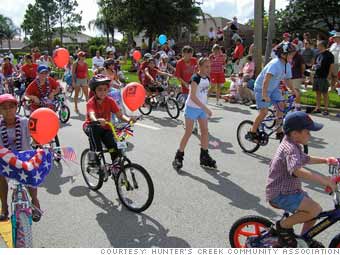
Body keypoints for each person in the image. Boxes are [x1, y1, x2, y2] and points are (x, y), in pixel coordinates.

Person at [266, 111, 337, 248]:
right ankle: (282, 226)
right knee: (315, 209)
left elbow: (305, 159)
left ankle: (304, 239)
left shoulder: (294, 144)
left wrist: (326, 160)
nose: (310, 135)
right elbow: (297, 170)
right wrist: (325, 181)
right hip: (281, 194)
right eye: (308, 131)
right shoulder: (290, 149)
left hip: (291, 190)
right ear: (295, 133)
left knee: (314, 212)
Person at [0, 94, 43, 222]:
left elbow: (36, 137)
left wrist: (40, 145)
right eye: (4, 107)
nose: (8, 110)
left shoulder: (25, 121)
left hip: (24, 156)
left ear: (16, 108)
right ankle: (4, 207)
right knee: (0, 176)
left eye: (11, 106)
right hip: (4, 159)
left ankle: (35, 201)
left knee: (31, 173)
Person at [247, 42, 299, 143]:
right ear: (283, 55)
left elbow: (288, 80)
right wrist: (265, 94)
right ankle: (252, 133)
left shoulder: (287, 65)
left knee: (281, 105)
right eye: (291, 54)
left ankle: (279, 131)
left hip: (274, 87)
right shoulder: (275, 64)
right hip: (261, 88)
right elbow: (266, 79)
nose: (292, 56)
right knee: (264, 112)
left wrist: (293, 91)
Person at [83, 75, 136, 170]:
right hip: (91, 126)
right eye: (100, 89)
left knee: (113, 147)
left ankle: (116, 168)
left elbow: (120, 115)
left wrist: (129, 119)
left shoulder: (110, 101)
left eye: (105, 89)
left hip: (106, 127)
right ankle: (94, 158)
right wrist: (96, 120)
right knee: (95, 132)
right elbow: (91, 114)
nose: (103, 92)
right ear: (94, 91)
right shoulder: (91, 102)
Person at [172, 57, 216, 170]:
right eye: (206, 66)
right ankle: (178, 157)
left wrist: (206, 102)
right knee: (188, 132)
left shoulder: (208, 78)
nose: (208, 69)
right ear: (199, 67)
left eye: (209, 66)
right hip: (192, 108)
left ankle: (204, 156)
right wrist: (206, 108)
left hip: (201, 109)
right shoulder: (195, 78)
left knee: (205, 131)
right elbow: (192, 96)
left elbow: (204, 93)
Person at [312, 40, 335, 115]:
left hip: (324, 76)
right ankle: (318, 108)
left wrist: (329, 75)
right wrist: (313, 67)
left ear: (322, 46)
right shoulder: (318, 54)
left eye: (318, 45)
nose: (317, 46)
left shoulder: (329, 55)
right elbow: (315, 64)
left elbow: (331, 66)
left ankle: (326, 109)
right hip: (317, 75)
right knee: (317, 93)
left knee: (324, 93)